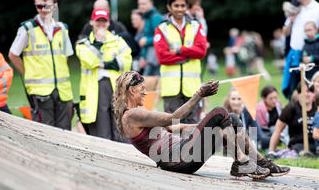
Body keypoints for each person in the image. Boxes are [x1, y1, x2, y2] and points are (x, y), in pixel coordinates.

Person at [112, 71, 291, 179]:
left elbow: (174, 127)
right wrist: (198, 94)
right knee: (220, 111)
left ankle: (260, 162)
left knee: (232, 119)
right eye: (141, 87)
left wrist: (203, 126)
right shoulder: (132, 115)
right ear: (130, 89)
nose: (145, 91)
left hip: (182, 154)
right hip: (178, 159)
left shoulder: (137, 113)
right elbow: (173, 117)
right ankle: (243, 163)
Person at [9, 0, 74, 130]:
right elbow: (13, 55)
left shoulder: (62, 28)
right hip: (40, 93)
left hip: (63, 91)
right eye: (39, 6)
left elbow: (65, 56)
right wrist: (27, 74)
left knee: (66, 134)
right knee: (44, 133)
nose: (43, 10)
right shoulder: (27, 28)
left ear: (55, 5)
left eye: (46, 6)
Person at [76, 8, 132, 141]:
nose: (101, 24)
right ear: (91, 22)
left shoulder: (118, 41)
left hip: (116, 89)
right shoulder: (83, 44)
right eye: (98, 21)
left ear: (108, 23)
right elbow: (90, 61)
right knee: (102, 132)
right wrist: (99, 42)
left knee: (120, 128)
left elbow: (127, 61)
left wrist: (104, 64)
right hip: (95, 92)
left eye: (104, 21)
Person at [154, 0, 207, 124]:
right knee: (173, 127)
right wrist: (189, 55)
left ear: (187, 7)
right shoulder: (162, 28)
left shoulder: (195, 25)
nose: (180, 9)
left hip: (193, 88)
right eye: (176, 6)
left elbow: (201, 52)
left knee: (193, 127)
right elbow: (162, 57)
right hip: (171, 89)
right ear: (169, 7)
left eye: (183, 6)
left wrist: (179, 51)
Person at [282, 0, 319, 99]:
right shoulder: (295, 8)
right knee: (294, 91)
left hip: (312, 55)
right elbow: (285, 33)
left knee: (311, 91)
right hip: (294, 56)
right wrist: (291, 20)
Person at [268, 82, 317, 155]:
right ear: (298, 94)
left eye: (309, 91)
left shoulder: (318, 108)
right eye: (303, 92)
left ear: (313, 93)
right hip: (297, 145)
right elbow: (277, 130)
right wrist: (271, 151)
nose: (306, 94)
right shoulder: (291, 108)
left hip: (316, 144)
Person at [138, 0, 164, 76]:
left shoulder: (155, 17)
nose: (141, 6)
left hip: (154, 60)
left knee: (149, 84)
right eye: (139, 4)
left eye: (144, 4)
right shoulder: (147, 17)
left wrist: (146, 41)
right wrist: (143, 56)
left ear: (151, 3)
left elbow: (161, 37)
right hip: (149, 58)